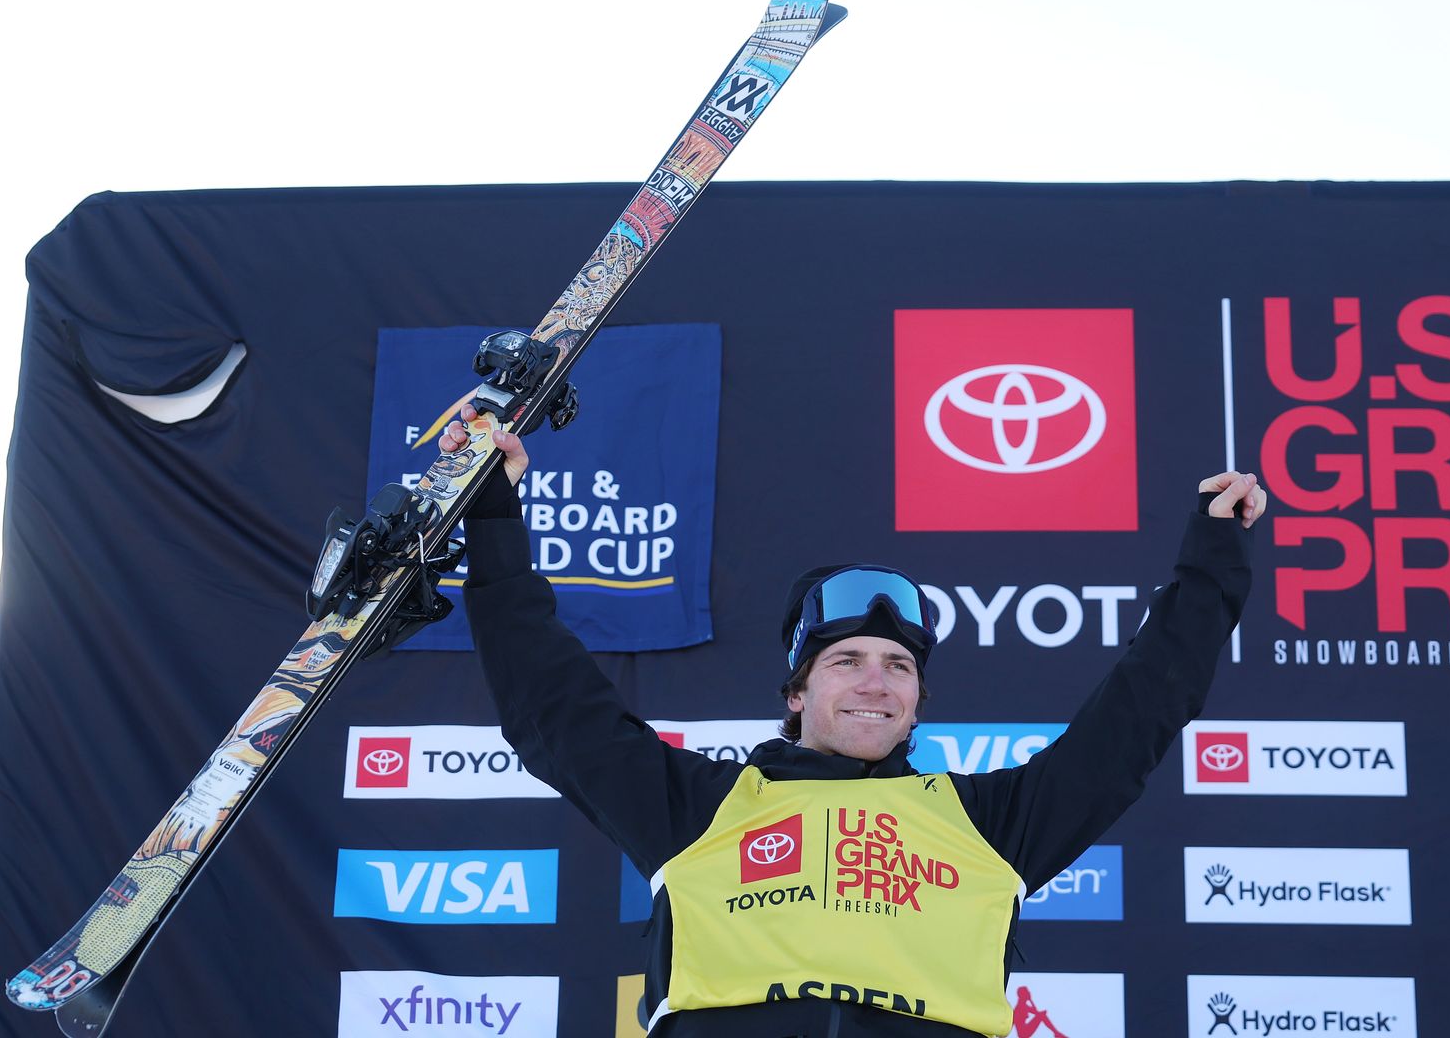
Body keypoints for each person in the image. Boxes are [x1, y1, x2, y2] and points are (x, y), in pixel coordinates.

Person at [442, 407, 1263, 1037]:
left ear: (917, 703)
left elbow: (1142, 711)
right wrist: (493, 520)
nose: (876, 681)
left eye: (899, 667)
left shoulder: (994, 825)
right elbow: (550, 700)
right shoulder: (700, 807)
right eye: (847, 662)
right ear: (795, 693)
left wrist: (1212, 563)